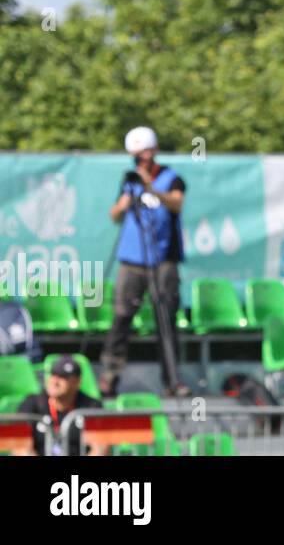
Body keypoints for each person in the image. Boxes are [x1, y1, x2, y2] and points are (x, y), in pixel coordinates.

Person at [100, 126, 189, 397]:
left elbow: (176, 204)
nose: (142, 161)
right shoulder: (129, 180)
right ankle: (110, 376)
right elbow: (114, 215)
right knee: (121, 318)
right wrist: (124, 203)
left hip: (162, 259)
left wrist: (152, 190)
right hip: (132, 260)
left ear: (155, 152)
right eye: (137, 156)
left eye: (146, 154)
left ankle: (172, 381)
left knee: (165, 320)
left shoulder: (171, 178)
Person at [14, 355, 104, 456]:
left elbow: (100, 449)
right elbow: (20, 448)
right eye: (53, 374)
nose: (55, 381)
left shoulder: (91, 406)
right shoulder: (31, 403)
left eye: (63, 377)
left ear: (77, 382)